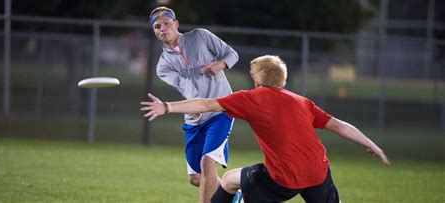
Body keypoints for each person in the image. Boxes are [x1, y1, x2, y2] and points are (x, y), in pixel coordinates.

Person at [141, 55, 390, 203]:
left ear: (256, 80)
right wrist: (372, 145)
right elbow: (339, 126)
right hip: (318, 172)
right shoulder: (302, 102)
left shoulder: (253, 98)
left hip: (283, 179)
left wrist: (167, 106)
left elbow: (207, 103)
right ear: (283, 80)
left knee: (228, 180)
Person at [148, 6, 239, 203]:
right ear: (154, 31)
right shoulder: (162, 66)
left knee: (208, 163)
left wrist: (221, 64)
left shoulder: (200, 36)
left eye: (166, 23)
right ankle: (236, 196)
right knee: (197, 178)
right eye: (157, 27)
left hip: (221, 110)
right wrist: (194, 107)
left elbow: (232, 54)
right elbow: (186, 86)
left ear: (176, 24)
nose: (162, 29)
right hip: (195, 118)